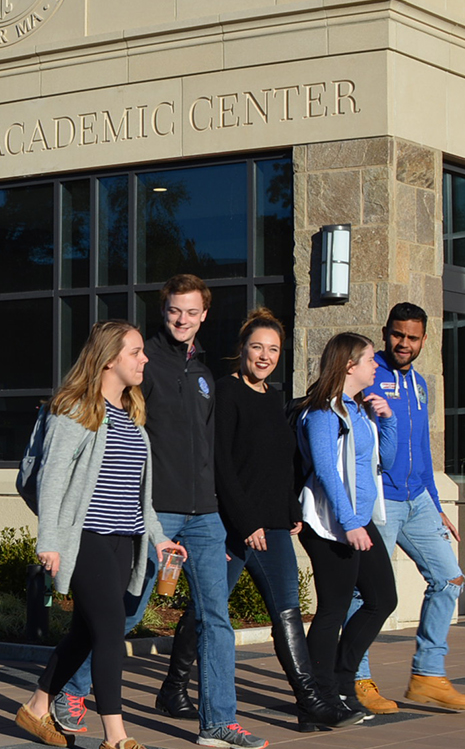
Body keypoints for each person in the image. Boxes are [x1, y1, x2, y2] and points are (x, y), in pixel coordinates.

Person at [55, 275, 268, 749]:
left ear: (204, 315)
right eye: (175, 310)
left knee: (216, 618)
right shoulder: (143, 363)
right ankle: (71, 690)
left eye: (192, 312)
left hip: (206, 516)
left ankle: (218, 722)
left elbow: (214, 450)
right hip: (156, 514)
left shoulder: (204, 374)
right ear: (164, 309)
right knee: (126, 613)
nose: (182, 320)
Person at [155, 310, 365, 731]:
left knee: (287, 612)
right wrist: (246, 521)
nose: (265, 356)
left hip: (274, 526)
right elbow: (223, 466)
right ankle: (173, 688)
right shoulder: (224, 392)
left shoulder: (274, 396)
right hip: (234, 527)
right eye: (257, 348)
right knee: (207, 610)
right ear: (242, 350)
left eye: (272, 349)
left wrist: (289, 512)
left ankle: (309, 703)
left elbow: (281, 463)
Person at [15, 320, 185, 749]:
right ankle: (116, 738)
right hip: (87, 536)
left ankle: (37, 706)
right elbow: (52, 481)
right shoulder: (75, 409)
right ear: (109, 358)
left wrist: (159, 538)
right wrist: (48, 542)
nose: (144, 358)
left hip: (124, 541)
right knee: (111, 630)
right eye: (135, 351)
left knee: (87, 633)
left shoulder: (131, 417)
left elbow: (137, 495)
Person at [345, 302, 465, 714]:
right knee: (365, 591)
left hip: (418, 498)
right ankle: (357, 678)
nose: (404, 343)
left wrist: (436, 505)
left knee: (450, 579)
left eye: (413, 337)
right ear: (386, 332)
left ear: (424, 339)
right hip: (381, 500)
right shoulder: (370, 374)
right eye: (398, 335)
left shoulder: (420, 383)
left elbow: (421, 448)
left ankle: (427, 676)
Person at [296, 332, 399, 719]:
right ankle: (317, 698)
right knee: (333, 609)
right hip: (329, 522)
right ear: (349, 365)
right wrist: (350, 522)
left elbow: (381, 462)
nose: (376, 365)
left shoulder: (358, 410)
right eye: (371, 359)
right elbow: (324, 471)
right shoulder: (323, 412)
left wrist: (385, 420)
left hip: (359, 519)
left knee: (382, 599)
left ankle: (342, 682)